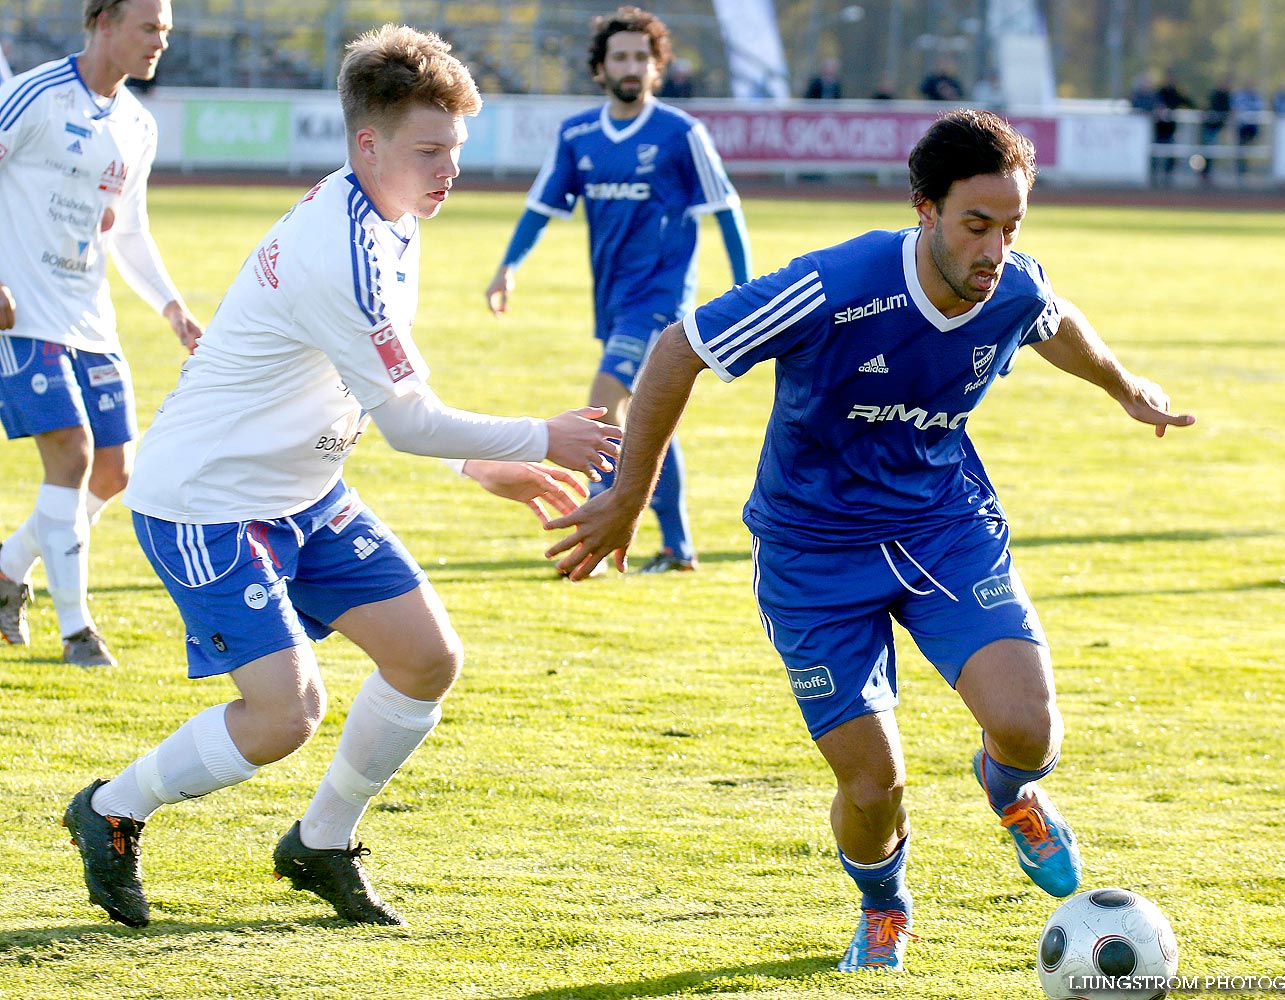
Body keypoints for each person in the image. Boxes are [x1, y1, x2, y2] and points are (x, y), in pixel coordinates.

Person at [547, 109, 1195, 971]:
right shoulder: (834, 285)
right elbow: (678, 350)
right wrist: (628, 495)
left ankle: (1010, 793)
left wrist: (1123, 386)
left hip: (941, 528)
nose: (994, 250)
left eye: (1010, 228)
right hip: (812, 556)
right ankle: (884, 904)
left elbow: (1053, 314)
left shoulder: (1010, 285)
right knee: (872, 785)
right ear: (924, 209)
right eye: (976, 226)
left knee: (1029, 730)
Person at [61, 23, 620, 929]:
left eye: (457, 150)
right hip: (205, 502)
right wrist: (536, 439)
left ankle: (321, 843)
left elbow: (386, 382)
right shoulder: (344, 250)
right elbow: (403, 419)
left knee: (427, 658)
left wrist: (476, 459)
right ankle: (111, 811)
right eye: (430, 150)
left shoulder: (388, 214)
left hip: (304, 492)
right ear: (369, 143)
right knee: (285, 714)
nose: (451, 170)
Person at [485, 6, 751, 574]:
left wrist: (743, 286)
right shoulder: (578, 134)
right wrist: (508, 266)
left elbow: (727, 211)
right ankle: (678, 546)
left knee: (604, 407)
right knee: (647, 417)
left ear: (657, 68)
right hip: (612, 303)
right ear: (601, 68)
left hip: (660, 304)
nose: (632, 66)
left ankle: (594, 540)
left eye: (642, 57)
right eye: (621, 57)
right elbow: (539, 209)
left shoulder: (681, 134)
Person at [0, 0, 203, 666]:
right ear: (103, 22)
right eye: (149, 29)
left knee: (115, 471)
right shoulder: (33, 95)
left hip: (90, 316)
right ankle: (77, 630)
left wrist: (171, 305)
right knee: (73, 455)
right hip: (22, 313)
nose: (159, 44)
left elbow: (131, 229)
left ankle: (6, 570)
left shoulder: (138, 125)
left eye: (166, 33)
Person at [1151, 72, 1193, 186]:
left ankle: (1167, 178)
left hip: (1171, 130)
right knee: (1156, 153)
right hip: (1159, 129)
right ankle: (1153, 177)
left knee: (1171, 154)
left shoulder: (1176, 93)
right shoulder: (1160, 92)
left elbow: (1188, 103)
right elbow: (1154, 105)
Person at [1198, 78, 1232, 184]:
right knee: (1207, 151)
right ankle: (1204, 174)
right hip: (1209, 127)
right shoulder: (1215, 95)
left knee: (1211, 152)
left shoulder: (1227, 96)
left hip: (1216, 128)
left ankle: (1206, 174)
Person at [1230, 80, 1264, 181]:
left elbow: (1259, 108)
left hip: (1252, 127)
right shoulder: (1240, 95)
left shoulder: (1256, 96)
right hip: (1242, 126)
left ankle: (1247, 169)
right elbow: (1236, 107)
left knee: (1249, 148)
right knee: (1241, 148)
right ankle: (1241, 171)